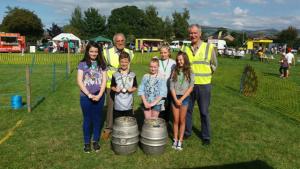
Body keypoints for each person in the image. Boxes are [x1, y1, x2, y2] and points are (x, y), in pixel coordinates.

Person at [181, 24, 217, 145]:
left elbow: (214, 65)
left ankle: (206, 136)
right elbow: (181, 65)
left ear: (200, 34)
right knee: (187, 111)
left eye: (195, 33)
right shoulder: (185, 48)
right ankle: (187, 132)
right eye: (191, 33)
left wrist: (205, 75)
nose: (193, 35)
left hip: (204, 85)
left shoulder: (209, 47)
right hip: (188, 86)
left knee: (204, 112)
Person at [102, 33, 134, 140]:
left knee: (127, 105)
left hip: (126, 85)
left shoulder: (130, 52)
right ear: (114, 41)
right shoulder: (106, 52)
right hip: (111, 85)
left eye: (122, 41)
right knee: (111, 107)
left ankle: (126, 127)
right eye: (118, 41)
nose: (120, 43)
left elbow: (129, 67)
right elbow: (103, 68)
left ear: (125, 41)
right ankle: (109, 129)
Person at [77, 41, 107, 153]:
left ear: (98, 52)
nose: (94, 53)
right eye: (91, 51)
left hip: (99, 96)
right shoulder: (82, 64)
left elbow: (104, 80)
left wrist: (99, 95)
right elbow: (79, 81)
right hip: (85, 96)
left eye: (96, 51)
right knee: (87, 119)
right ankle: (86, 143)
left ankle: (95, 141)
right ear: (87, 51)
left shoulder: (102, 64)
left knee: (97, 119)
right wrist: (89, 95)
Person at [170, 52, 194, 150]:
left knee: (182, 120)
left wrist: (181, 99)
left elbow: (191, 87)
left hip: (184, 98)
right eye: (178, 60)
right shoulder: (174, 71)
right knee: (175, 120)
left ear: (185, 60)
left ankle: (180, 140)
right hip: (175, 98)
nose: (179, 61)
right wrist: (176, 99)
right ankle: (175, 139)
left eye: (181, 59)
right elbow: (171, 86)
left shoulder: (190, 71)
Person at [111, 51, 138, 119]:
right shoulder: (115, 74)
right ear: (119, 62)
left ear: (129, 62)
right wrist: (115, 89)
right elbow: (112, 86)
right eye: (122, 62)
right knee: (118, 120)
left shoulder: (132, 74)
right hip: (118, 102)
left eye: (126, 62)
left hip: (128, 102)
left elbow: (135, 86)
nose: (124, 64)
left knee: (128, 120)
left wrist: (131, 89)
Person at [158, 45, 176, 124]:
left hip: (169, 88)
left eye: (165, 52)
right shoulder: (157, 61)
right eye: (161, 52)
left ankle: (166, 122)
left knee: (168, 106)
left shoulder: (173, 62)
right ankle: (160, 122)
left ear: (169, 53)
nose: (163, 54)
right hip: (160, 89)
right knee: (160, 106)